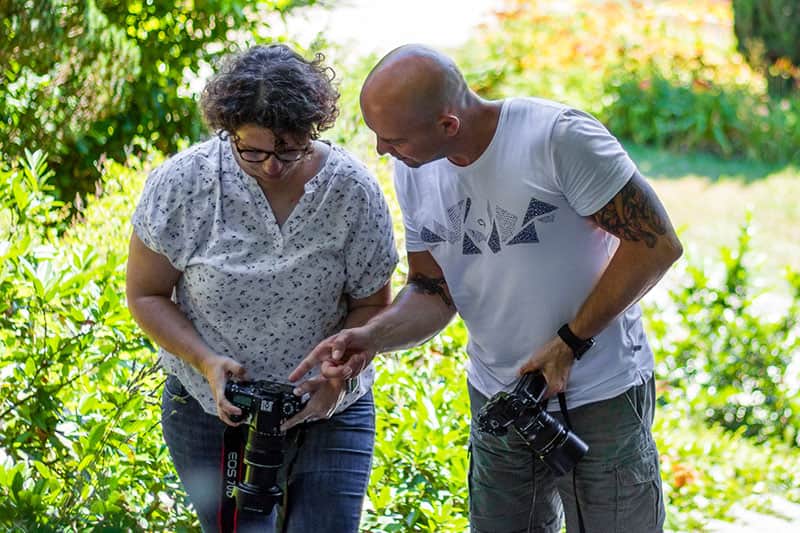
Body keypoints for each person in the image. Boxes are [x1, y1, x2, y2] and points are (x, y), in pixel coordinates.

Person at [290, 44, 683, 533]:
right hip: (499, 399)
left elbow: (656, 246)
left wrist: (570, 342)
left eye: (392, 139)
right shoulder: (415, 169)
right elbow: (434, 290)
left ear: (447, 125)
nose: (380, 151)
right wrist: (371, 337)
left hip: (599, 396)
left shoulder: (557, 139)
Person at [126, 43, 398, 532]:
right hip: (211, 413)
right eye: (251, 151)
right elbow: (145, 295)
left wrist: (335, 378)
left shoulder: (352, 192)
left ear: (313, 130)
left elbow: (372, 306)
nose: (272, 166)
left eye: (289, 149)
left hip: (330, 410)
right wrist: (204, 361)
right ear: (227, 130)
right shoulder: (184, 185)